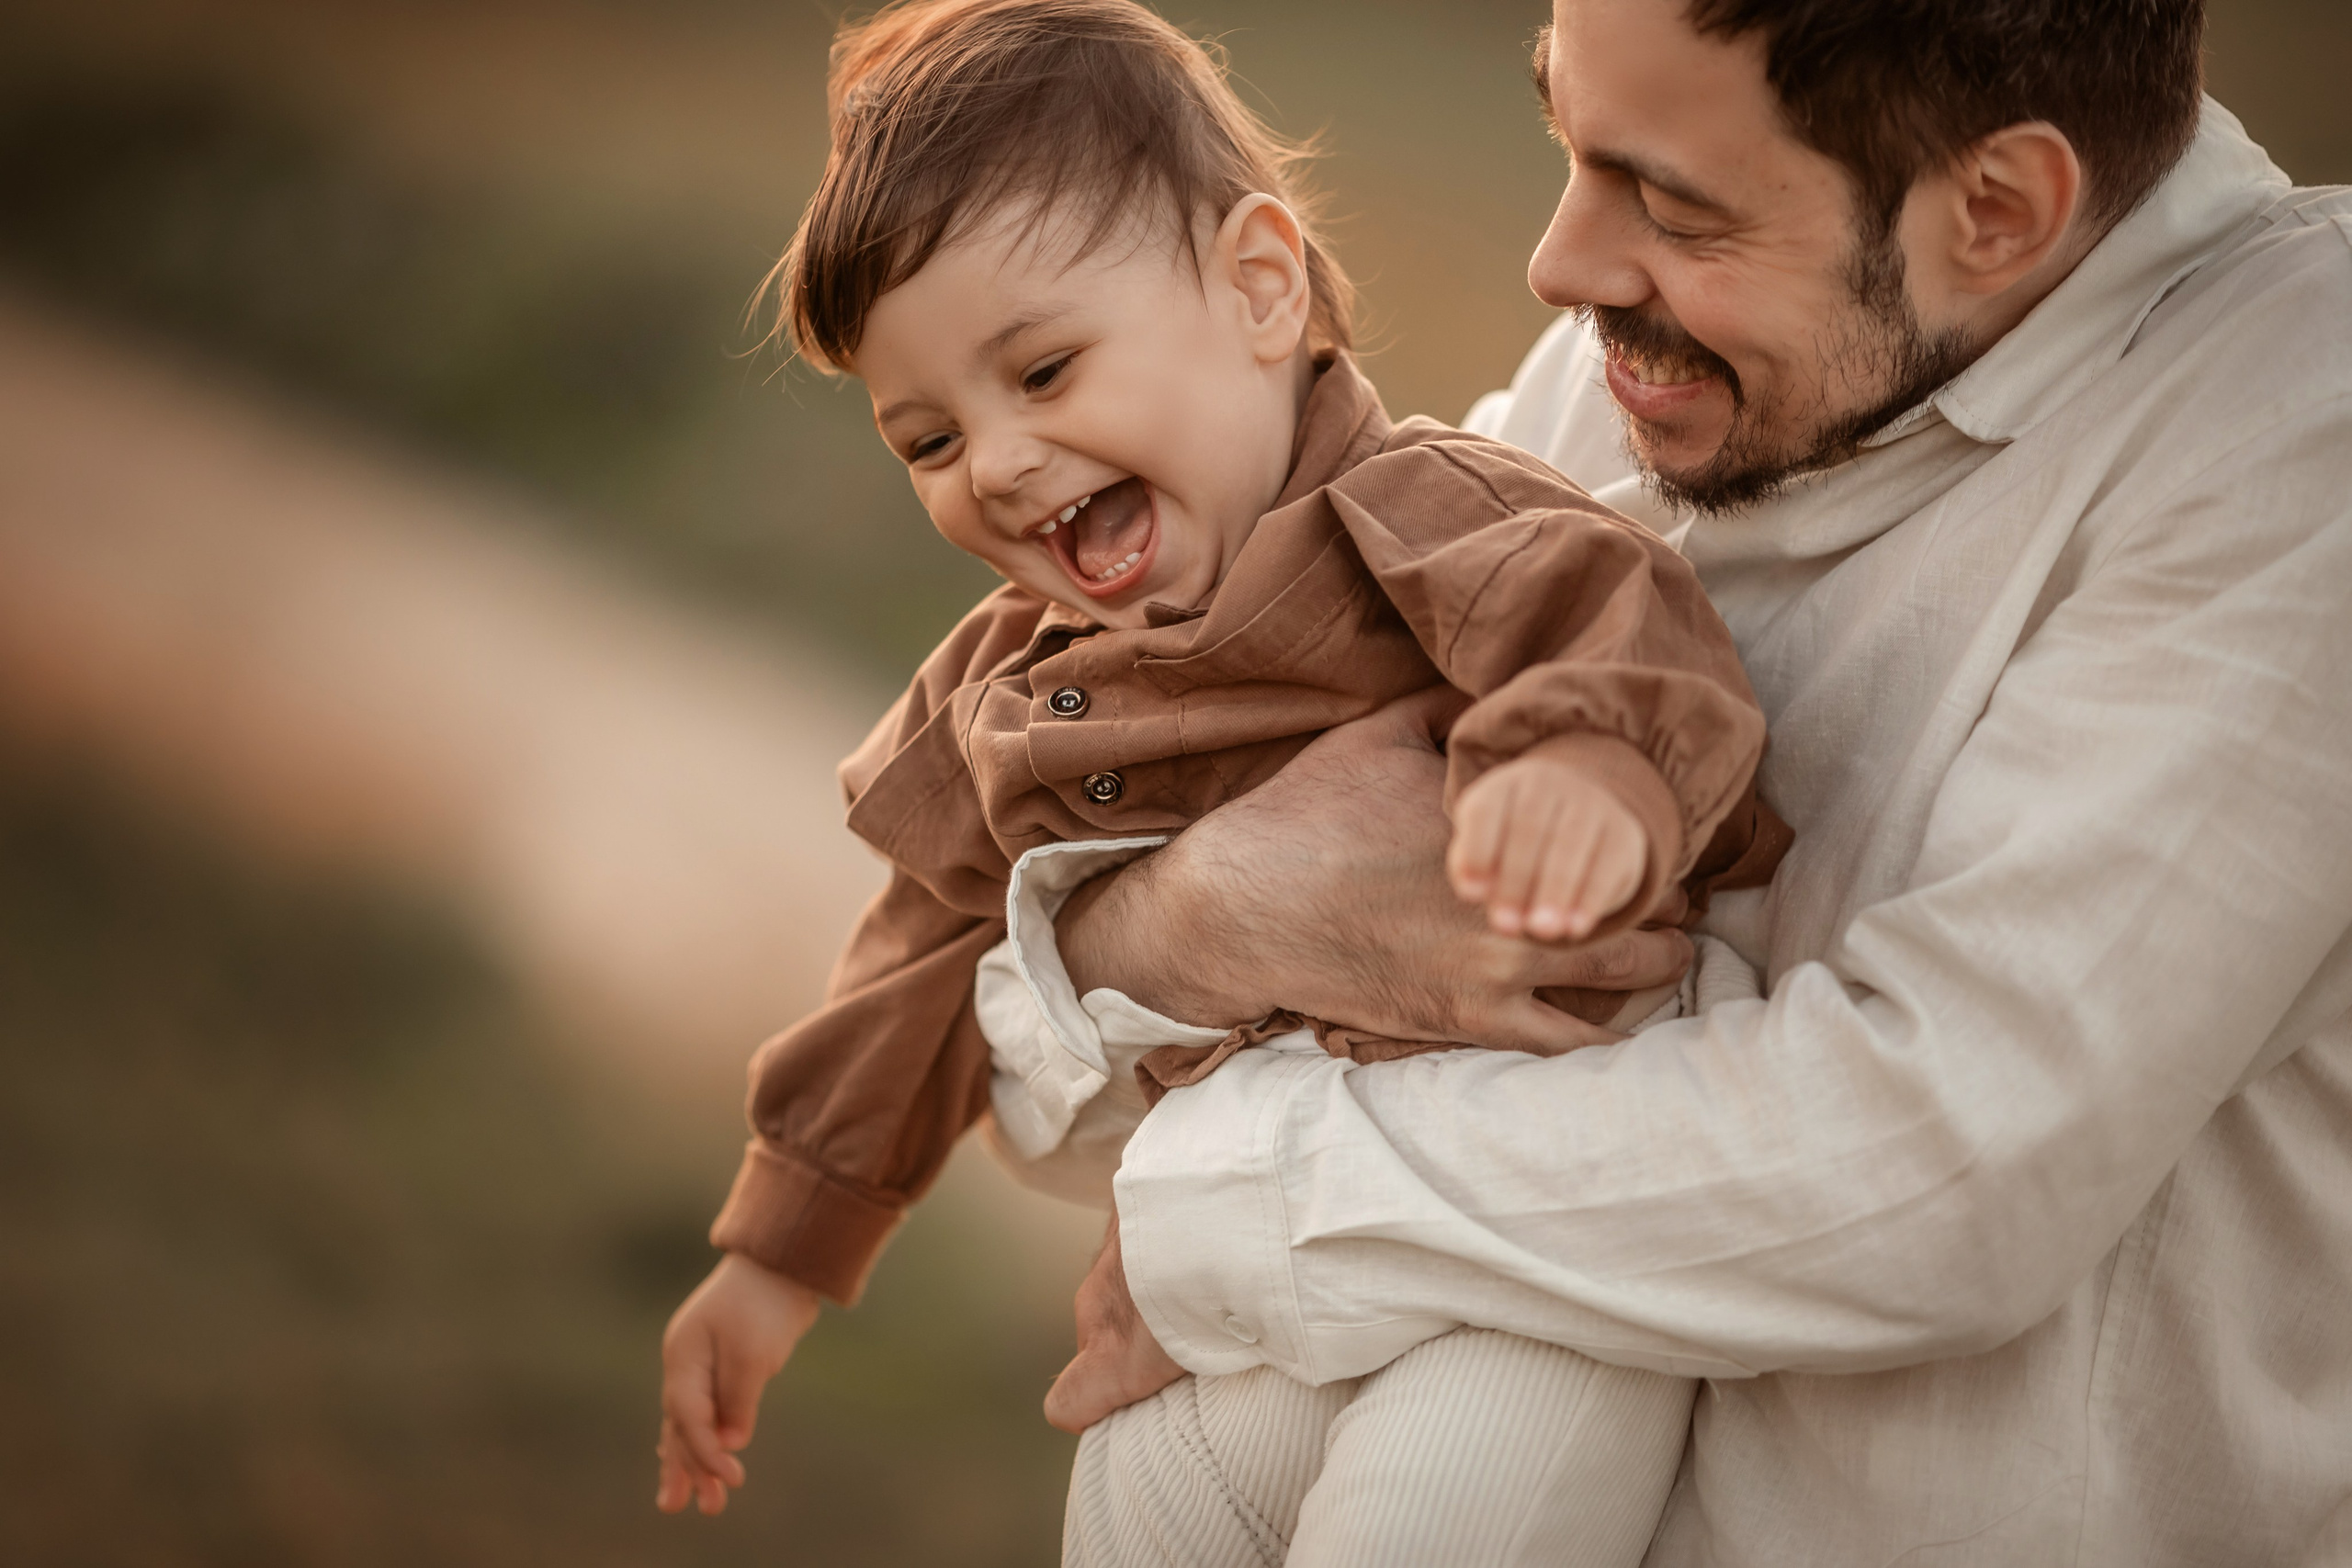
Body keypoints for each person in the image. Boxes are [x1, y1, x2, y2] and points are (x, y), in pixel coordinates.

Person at [1001, 0, 2352, 1562]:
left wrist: (1229, 1209)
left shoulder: (2296, 421)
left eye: (1675, 202)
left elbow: (1942, 1166)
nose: (1562, 265)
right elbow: (1045, 1111)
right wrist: (1195, 922)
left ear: (1996, 212)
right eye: (1568, 148)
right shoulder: (1643, 369)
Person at [651, 1, 1794, 1555]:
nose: (994, 463)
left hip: (1511, 1283)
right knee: (1133, 1517)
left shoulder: (1424, 523)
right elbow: (915, 959)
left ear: (1259, 288)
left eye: (1044, 370)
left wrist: (1587, 766)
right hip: (1218, 1313)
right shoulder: (1011, 692)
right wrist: (779, 1256)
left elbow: (1618, 619)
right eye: (926, 441)